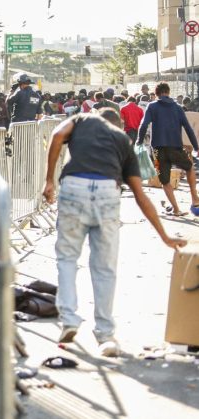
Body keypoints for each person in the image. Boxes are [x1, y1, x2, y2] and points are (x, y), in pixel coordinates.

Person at [43, 108, 186, 357]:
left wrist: (49, 181)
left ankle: (69, 319)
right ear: (118, 125)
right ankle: (105, 334)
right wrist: (164, 235)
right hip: (108, 192)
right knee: (104, 267)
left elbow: (56, 135)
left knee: (67, 258)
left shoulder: (83, 120)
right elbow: (141, 196)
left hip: (74, 187)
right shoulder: (122, 141)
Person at [136, 82, 199, 216]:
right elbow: (188, 128)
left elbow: (143, 125)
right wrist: (196, 146)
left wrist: (139, 142)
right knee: (189, 167)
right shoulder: (177, 108)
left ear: (157, 93)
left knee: (164, 180)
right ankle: (194, 198)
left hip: (158, 151)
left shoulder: (152, 106)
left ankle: (176, 209)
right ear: (168, 92)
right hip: (175, 147)